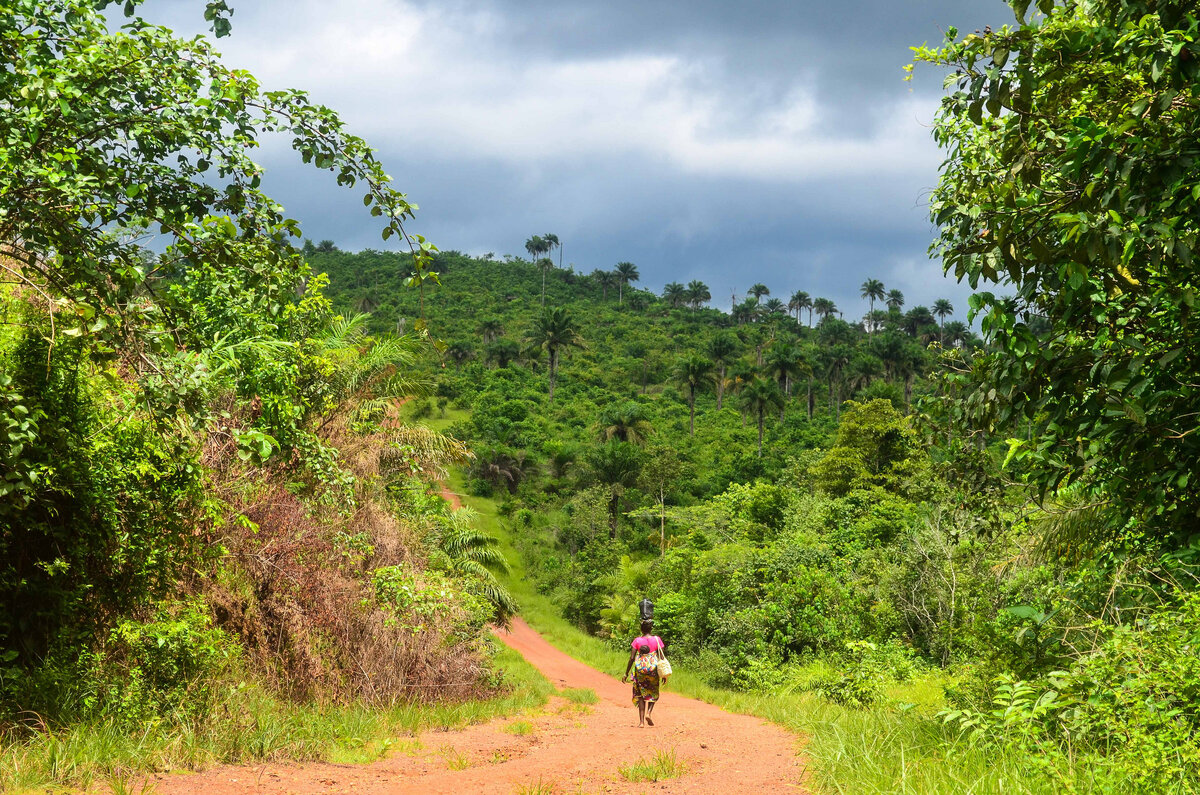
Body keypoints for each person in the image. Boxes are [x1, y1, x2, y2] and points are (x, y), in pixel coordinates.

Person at [621, 619, 668, 727]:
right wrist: (664, 674)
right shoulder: (657, 639)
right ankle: (649, 713)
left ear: (641, 629)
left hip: (640, 671)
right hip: (653, 670)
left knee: (640, 694)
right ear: (651, 628)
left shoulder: (637, 641)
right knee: (653, 691)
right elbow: (661, 657)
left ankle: (641, 722)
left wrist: (626, 673)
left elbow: (632, 658)